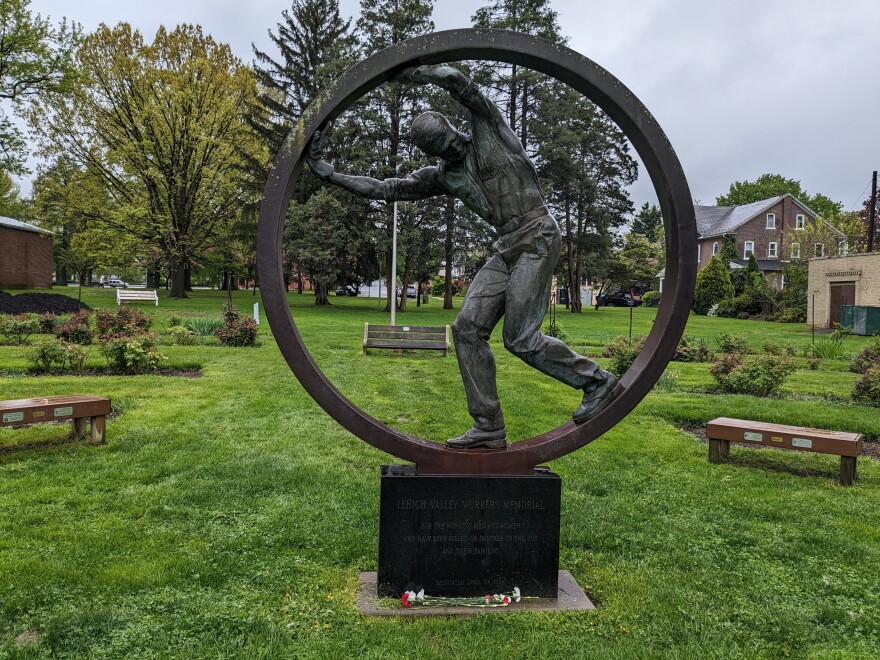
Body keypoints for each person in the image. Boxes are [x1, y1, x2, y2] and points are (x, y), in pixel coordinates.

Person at [307, 65, 620, 449]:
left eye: (451, 139)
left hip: (538, 234)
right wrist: (328, 174)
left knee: (520, 338)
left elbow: (457, 81)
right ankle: (488, 425)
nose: (453, 148)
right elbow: (385, 188)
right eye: (442, 149)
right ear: (432, 152)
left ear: (454, 127)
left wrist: (412, 73)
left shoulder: (489, 128)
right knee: (466, 328)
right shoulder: (444, 176)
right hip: (506, 247)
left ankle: (597, 381)